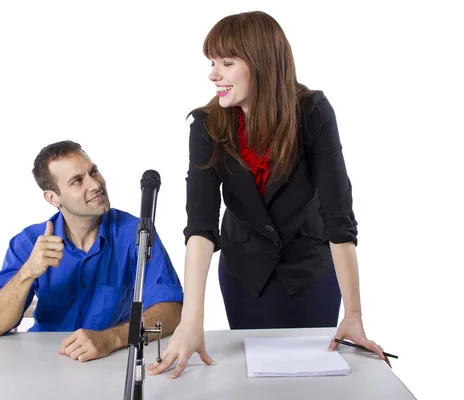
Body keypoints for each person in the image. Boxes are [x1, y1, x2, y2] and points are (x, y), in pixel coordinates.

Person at [148, 11, 387, 378]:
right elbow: (200, 226)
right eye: (212, 63)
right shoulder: (207, 126)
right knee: (254, 380)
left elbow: (339, 218)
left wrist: (353, 317)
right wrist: (192, 320)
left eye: (226, 62)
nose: (213, 74)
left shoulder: (313, 112)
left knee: (316, 379)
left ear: (261, 63)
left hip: (311, 271)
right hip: (245, 274)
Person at [0, 140, 183, 362]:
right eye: (77, 181)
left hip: (111, 361)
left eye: (94, 171)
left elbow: (172, 310)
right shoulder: (30, 243)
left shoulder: (136, 233)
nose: (95, 184)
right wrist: (28, 272)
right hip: (44, 361)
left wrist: (111, 338)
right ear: (53, 198)